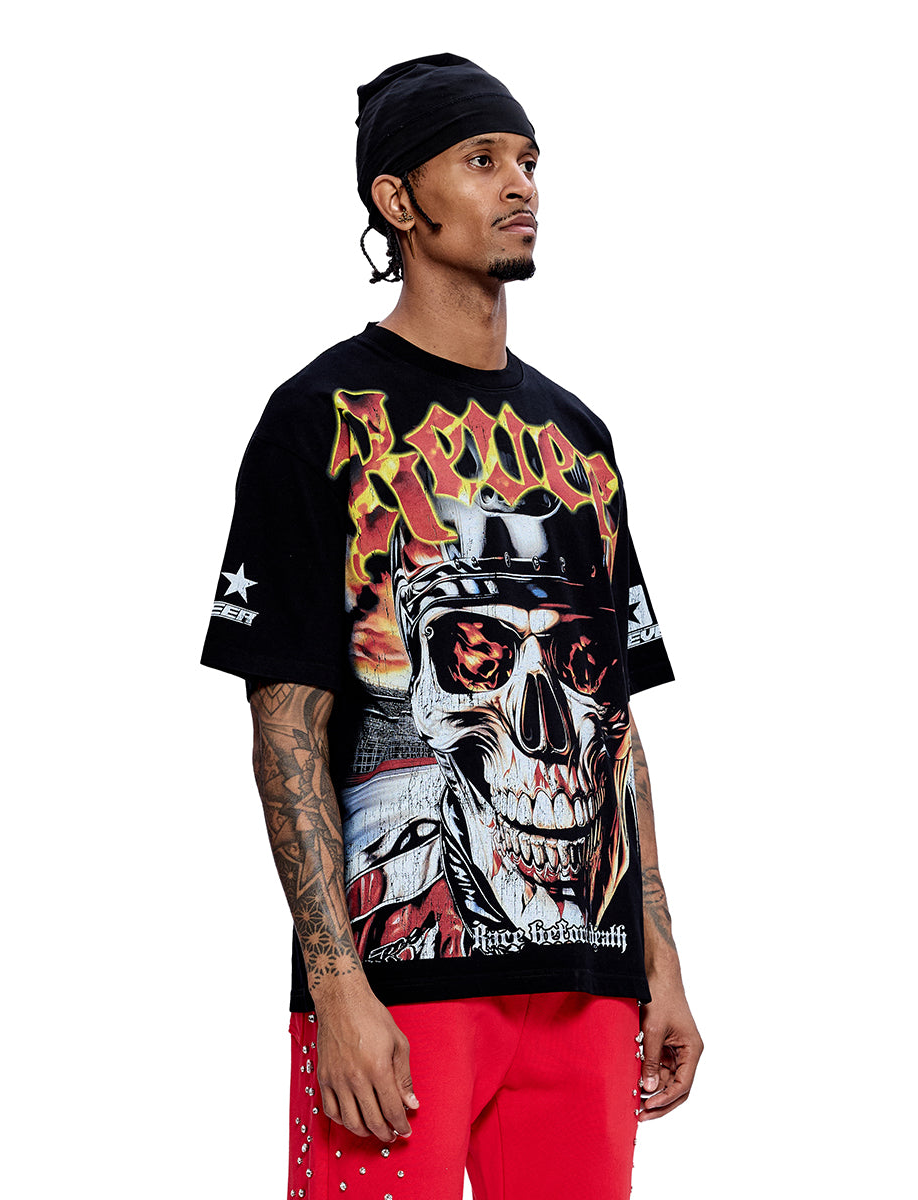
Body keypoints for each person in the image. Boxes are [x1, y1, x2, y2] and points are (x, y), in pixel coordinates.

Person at [201, 52, 702, 1200]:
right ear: (396, 199)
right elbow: (287, 723)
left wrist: (660, 957)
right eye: (481, 160)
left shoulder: (579, 438)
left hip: (587, 984)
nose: (520, 184)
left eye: (527, 160)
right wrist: (336, 988)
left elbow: (618, 726)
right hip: (400, 989)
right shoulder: (318, 419)